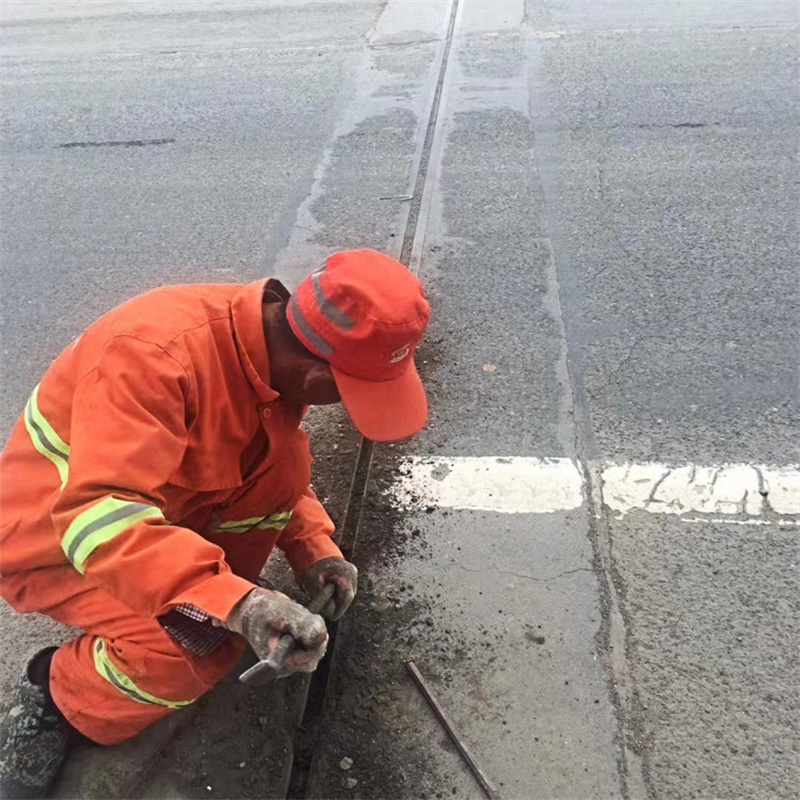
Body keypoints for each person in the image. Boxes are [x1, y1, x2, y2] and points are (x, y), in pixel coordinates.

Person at [0, 249, 431, 798]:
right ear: (315, 372)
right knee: (187, 654)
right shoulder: (156, 358)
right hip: (58, 539)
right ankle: (55, 695)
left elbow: (268, 467)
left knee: (289, 458)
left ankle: (189, 598)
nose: (346, 408)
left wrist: (314, 548)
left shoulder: (262, 354)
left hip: (150, 515)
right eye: (349, 393)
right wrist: (236, 605)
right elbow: (98, 518)